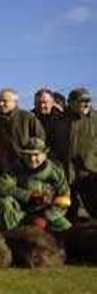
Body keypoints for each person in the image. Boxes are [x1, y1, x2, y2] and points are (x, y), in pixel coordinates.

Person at [12, 138, 72, 232]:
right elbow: (5, 188)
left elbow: (64, 198)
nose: (32, 159)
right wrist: (28, 196)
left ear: (44, 155)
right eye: (28, 155)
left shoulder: (55, 171)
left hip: (47, 213)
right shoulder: (15, 169)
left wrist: (46, 217)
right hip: (21, 213)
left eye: (36, 155)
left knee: (67, 229)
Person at [56, 88, 97, 219]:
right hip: (67, 171)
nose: (86, 104)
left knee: (93, 205)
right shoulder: (60, 119)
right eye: (82, 101)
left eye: (88, 101)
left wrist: (91, 164)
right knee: (70, 207)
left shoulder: (95, 119)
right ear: (71, 103)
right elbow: (51, 141)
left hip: (90, 171)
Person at [0, 88, 45, 175]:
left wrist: (32, 159)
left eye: (5, 101)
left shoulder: (28, 117)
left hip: (25, 170)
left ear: (15, 102)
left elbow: (40, 141)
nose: (1, 104)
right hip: (1, 172)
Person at [32, 87, 65, 156]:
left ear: (52, 102)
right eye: (38, 103)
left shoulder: (63, 118)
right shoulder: (30, 118)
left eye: (44, 102)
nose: (42, 105)